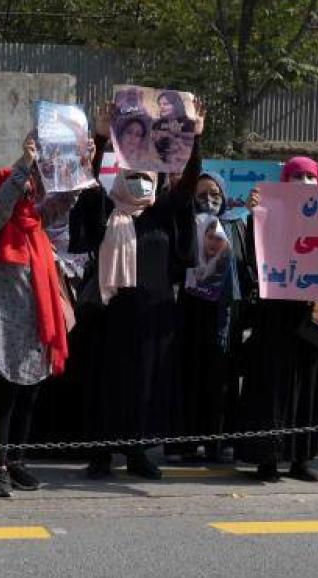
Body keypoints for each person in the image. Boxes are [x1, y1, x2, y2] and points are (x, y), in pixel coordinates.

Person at [69, 111, 203, 480]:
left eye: (148, 178)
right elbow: (90, 183)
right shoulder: (107, 211)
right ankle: (99, 454)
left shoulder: (161, 214)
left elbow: (189, 185)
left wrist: (197, 141)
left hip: (151, 320)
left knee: (145, 387)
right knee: (105, 385)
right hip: (109, 319)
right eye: (134, 176)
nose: (141, 183)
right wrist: (100, 140)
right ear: (121, 177)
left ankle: (138, 452)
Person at [0, 134, 93, 497]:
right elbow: (0, 206)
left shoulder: (35, 224)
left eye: (29, 191)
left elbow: (65, 198)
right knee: (6, 400)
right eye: (21, 191)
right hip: (2, 330)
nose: (28, 196)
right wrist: (22, 163)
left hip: (35, 327)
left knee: (29, 398)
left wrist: (85, 162)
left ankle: (16, 461)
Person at [236, 156, 318, 482]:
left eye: (310, 177)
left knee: (310, 386)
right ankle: (268, 458)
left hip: (316, 315)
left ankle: (301, 458)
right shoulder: (269, 215)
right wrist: (255, 216)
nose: (304, 183)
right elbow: (255, 258)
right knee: (275, 386)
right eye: (297, 176)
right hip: (276, 316)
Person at [174, 169, 246, 463]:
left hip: (225, 315)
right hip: (192, 312)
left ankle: (221, 442)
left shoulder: (236, 225)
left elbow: (246, 265)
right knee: (191, 377)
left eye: (215, 194)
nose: (209, 200)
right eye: (202, 194)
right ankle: (187, 443)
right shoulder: (185, 226)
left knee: (223, 379)